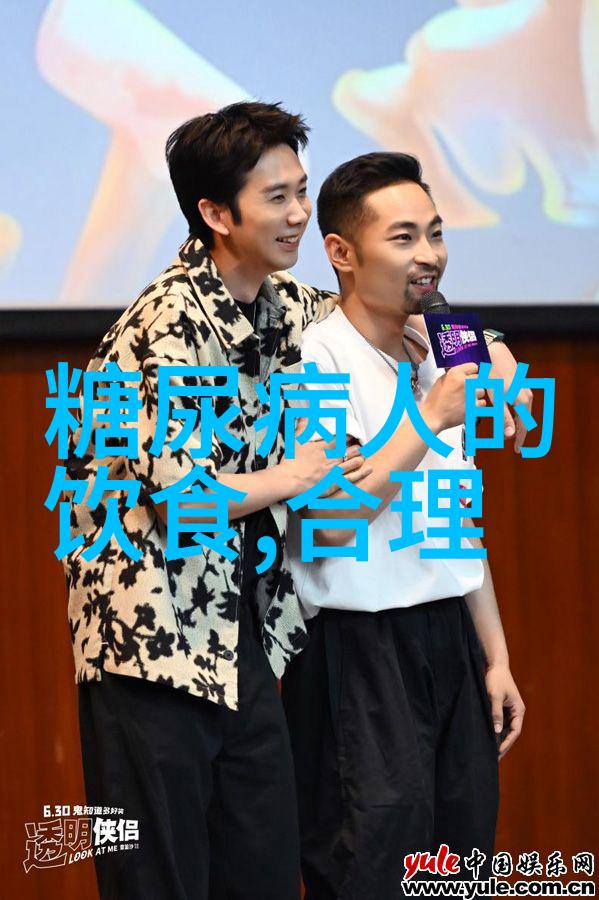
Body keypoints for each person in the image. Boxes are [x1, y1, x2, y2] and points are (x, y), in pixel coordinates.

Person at [63, 102, 525, 899]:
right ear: (216, 214)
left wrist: (494, 357)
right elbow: (181, 503)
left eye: (302, 191)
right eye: (276, 197)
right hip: (149, 642)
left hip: (240, 631)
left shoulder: (284, 303)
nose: (299, 214)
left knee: (265, 870)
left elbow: (412, 307)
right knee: (162, 878)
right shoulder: (167, 323)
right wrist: (293, 476)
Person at [283, 151, 526, 900]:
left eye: (436, 233)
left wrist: (495, 656)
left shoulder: (440, 349)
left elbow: (455, 517)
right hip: (357, 656)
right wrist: (429, 416)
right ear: (341, 253)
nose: (429, 254)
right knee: (371, 871)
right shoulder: (315, 361)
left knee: (459, 872)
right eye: (402, 237)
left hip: (449, 643)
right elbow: (327, 523)